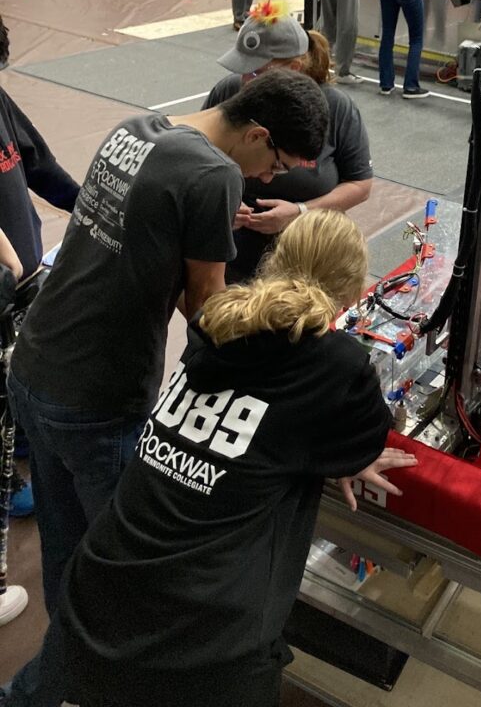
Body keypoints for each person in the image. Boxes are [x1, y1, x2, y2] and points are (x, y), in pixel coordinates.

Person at [5, 211, 416, 707]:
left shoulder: (215, 320)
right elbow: (364, 441)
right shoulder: (339, 363)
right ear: (350, 291)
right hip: (200, 640)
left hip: (99, 593)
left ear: (276, 260)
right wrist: (347, 454)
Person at [7, 70, 329, 616]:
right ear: (257, 134)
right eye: (276, 166)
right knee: (130, 561)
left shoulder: (135, 129)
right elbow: (205, 304)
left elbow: (143, 252)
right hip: (97, 395)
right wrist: (276, 363)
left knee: (64, 543)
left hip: (36, 365)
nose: (266, 179)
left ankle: (66, 649)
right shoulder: (214, 174)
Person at [202, 0, 373, 280]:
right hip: (232, 256)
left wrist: (300, 212)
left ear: (293, 67)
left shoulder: (336, 107)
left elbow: (360, 184)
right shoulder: (230, 91)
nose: (245, 81)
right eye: (242, 69)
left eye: (256, 72)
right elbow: (201, 157)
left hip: (306, 259)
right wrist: (223, 206)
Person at [0, 15, 81, 519]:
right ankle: (4, 480)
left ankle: (20, 432)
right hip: (1, 282)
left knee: (23, 370)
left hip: (23, 280)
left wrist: (90, 205)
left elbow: (38, 165)